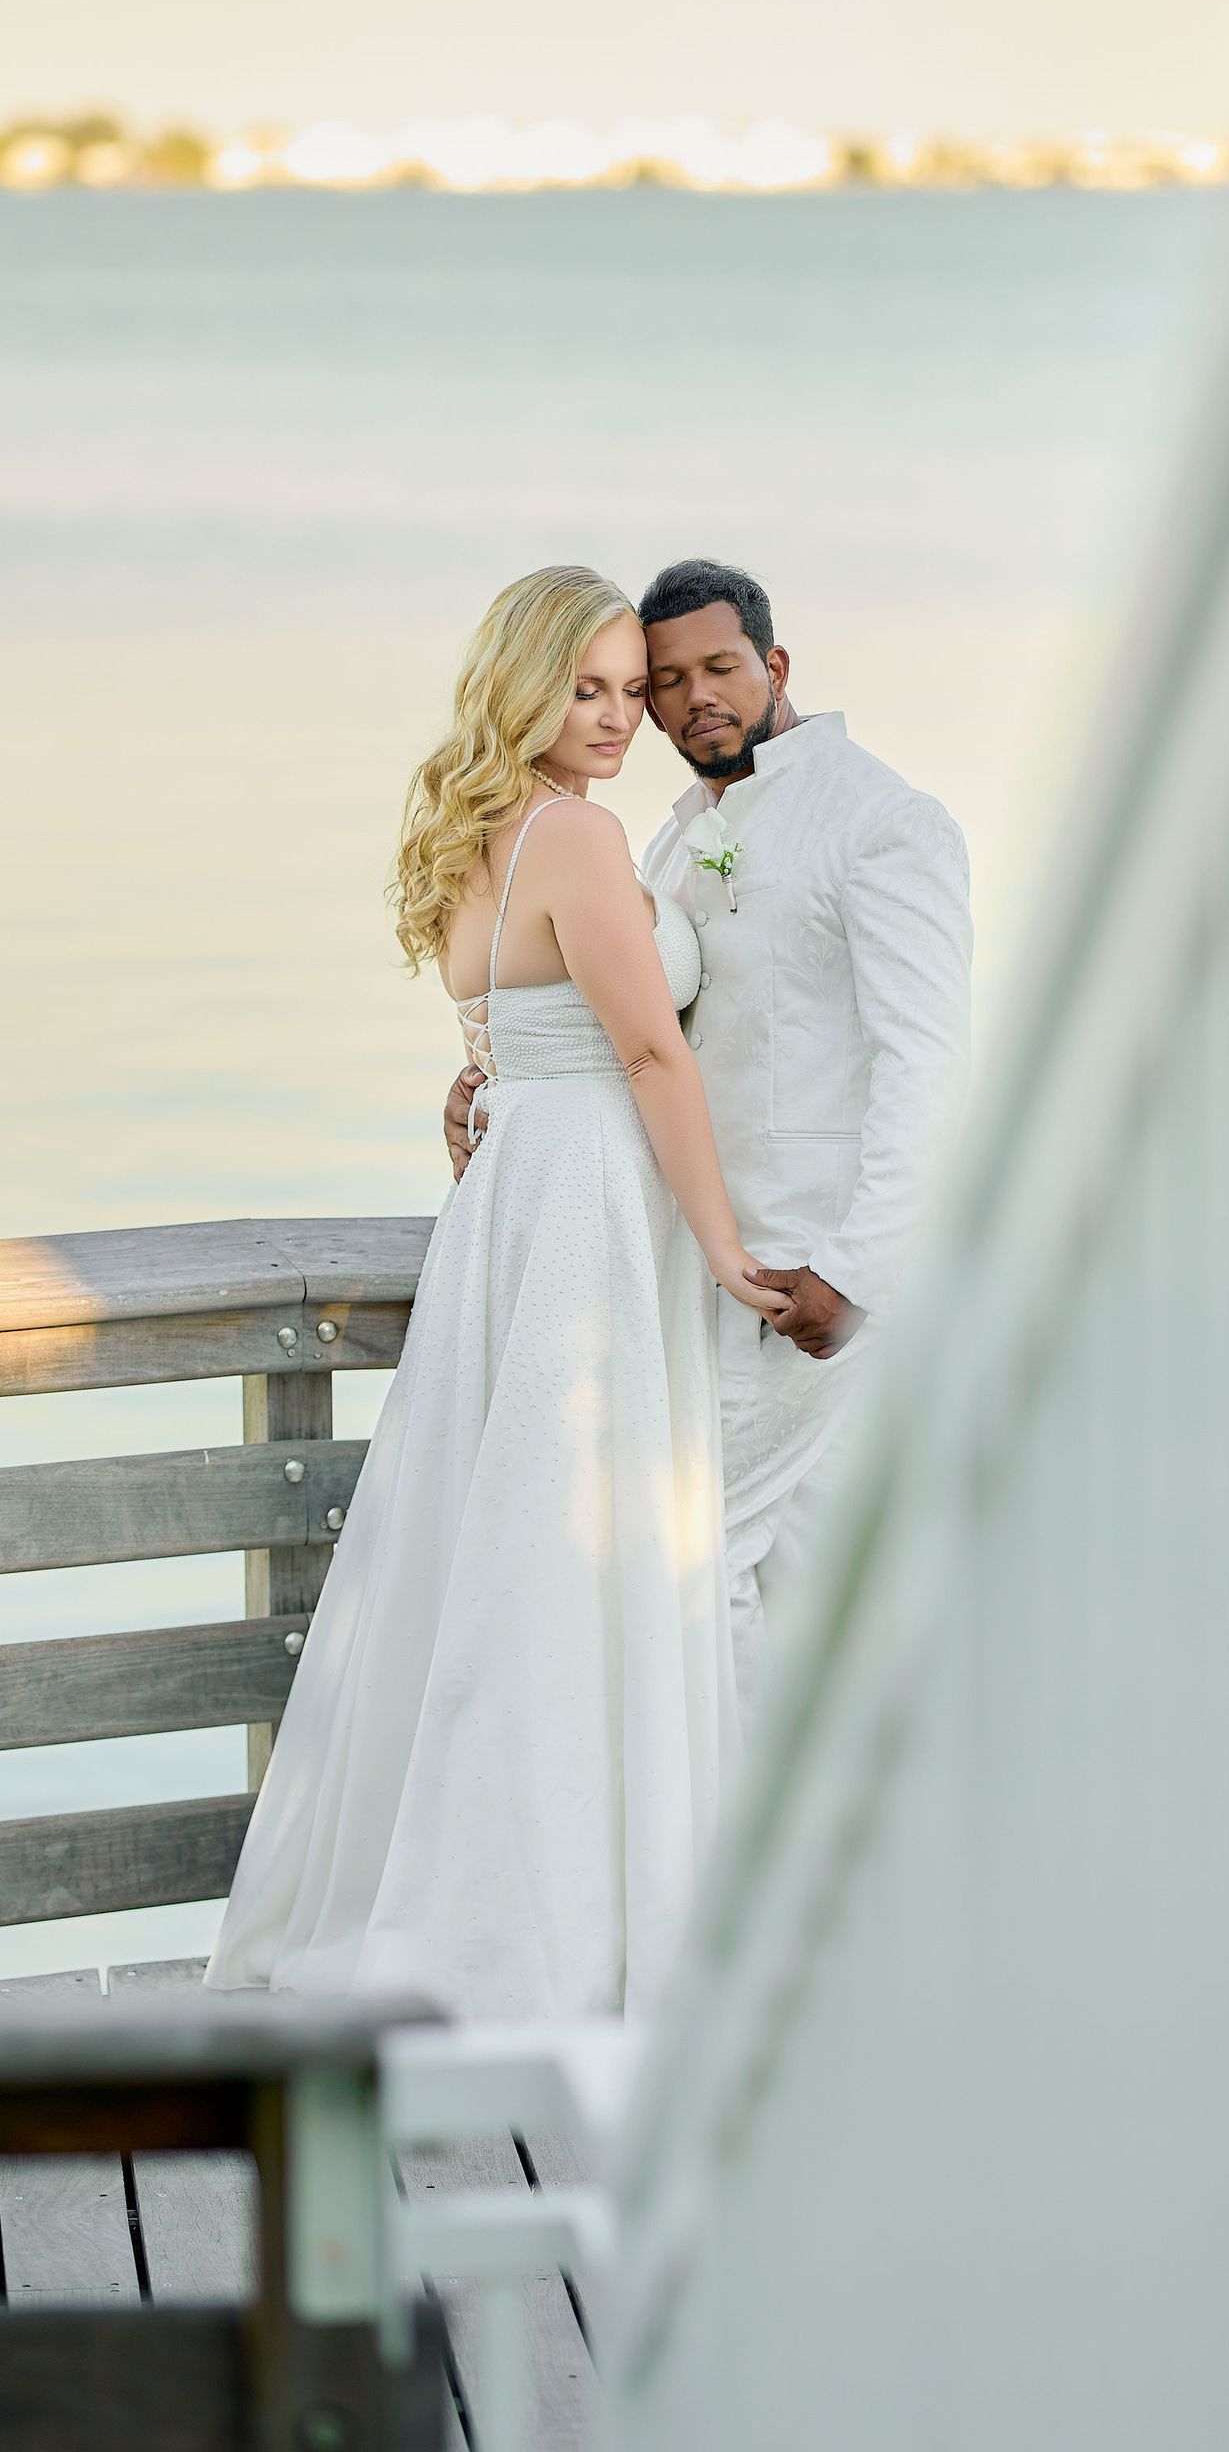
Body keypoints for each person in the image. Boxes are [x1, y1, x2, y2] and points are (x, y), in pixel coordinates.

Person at [206, 566, 783, 2020]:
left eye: (624, 691)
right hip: (589, 1199)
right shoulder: (581, 839)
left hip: (514, 1192)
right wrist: (722, 1247)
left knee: (502, 1538)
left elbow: (507, 1036)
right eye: (582, 690)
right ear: (523, 688)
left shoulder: (476, 838)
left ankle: (514, 1883)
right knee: (571, 1546)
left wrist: (482, 1092)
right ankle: (545, 1920)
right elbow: (653, 1056)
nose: (614, 721)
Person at [448, 558, 972, 1701]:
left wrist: (856, 1270)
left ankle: (714, 1853)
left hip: (801, 1271)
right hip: (693, 1266)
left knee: (687, 1552)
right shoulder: (680, 837)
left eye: (717, 669)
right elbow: (618, 1010)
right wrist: (491, 1072)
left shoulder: (884, 824)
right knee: (807, 1573)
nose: (688, 702)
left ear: (775, 666)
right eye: (662, 681)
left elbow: (926, 1070)